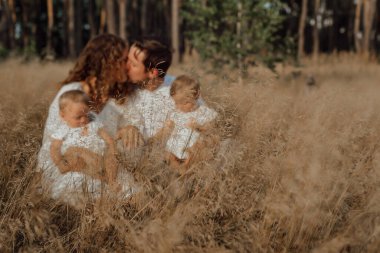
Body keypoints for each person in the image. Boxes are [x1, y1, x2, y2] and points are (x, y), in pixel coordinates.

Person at [38, 34, 133, 202]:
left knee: (136, 193)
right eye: (124, 60)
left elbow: (116, 143)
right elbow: (51, 143)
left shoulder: (117, 99)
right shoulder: (71, 92)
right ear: (108, 63)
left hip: (105, 170)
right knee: (81, 186)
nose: (128, 65)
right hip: (68, 169)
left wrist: (126, 132)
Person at [50, 90, 119, 190]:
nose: (83, 120)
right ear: (63, 116)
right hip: (81, 163)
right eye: (78, 117)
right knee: (75, 161)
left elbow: (108, 139)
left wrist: (112, 150)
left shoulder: (93, 122)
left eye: (86, 114)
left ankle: (112, 181)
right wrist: (59, 163)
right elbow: (54, 148)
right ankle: (101, 179)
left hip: (99, 158)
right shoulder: (64, 129)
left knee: (112, 159)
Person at [117, 38, 175, 149]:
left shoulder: (179, 88)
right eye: (127, 60)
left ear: (152, 72)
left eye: (133, 65)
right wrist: (123, 130)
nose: (126, 66)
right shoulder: (120, 88)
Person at [164, 75, 217, 169]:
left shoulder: (203, 111)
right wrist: (169, 125)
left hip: (191, 148)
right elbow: (170, 122)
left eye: (185, 103)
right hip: (175, 146)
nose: (180, 106)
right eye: (177, 103)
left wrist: (198, 127)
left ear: (197, 95)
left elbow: (210, 128)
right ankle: (177, 170)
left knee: (195, 151)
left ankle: (186, 168)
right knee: (168, 155)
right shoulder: (176, 111)